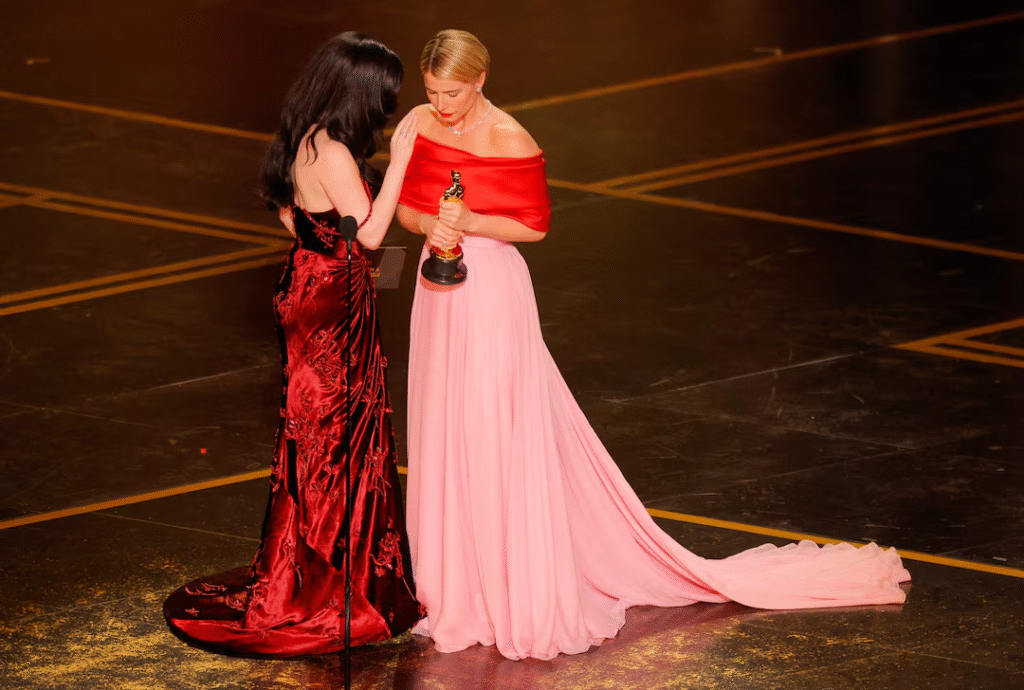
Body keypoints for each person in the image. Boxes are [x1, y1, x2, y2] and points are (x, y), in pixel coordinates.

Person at [396, 29, 911, 661]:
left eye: (452, 92)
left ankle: (508, 585)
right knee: (445, 425)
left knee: (493, 424)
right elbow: (407, 210)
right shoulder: (421, 123)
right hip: (437, 289)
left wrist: (470, 222)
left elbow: (534, 226)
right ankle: (457, 587)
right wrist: (432, 223)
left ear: (480, 79)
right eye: (432, 91)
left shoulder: (510, 138)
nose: (441, 104)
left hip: (491, 292)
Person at [163, 31, 421, 657]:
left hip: (308, 285)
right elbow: (372, 233)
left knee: (316, 428)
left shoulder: (306, 137)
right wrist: (403, 161)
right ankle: (336, 583)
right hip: (331, 303)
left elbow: (291, 215)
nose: (386, 110)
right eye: (383, 98)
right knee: (336, 433)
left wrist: (328, 248)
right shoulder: (332, 152)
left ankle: (319, 565)